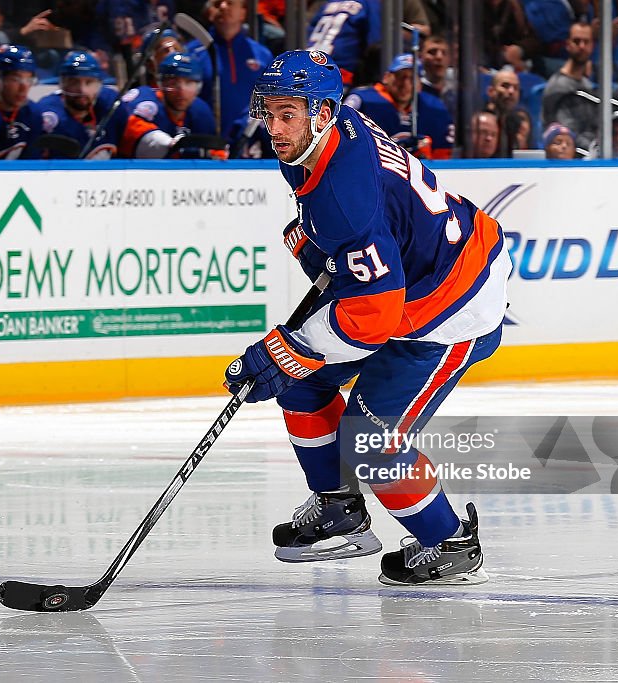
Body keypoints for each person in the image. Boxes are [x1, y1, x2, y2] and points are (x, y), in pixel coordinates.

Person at [224, 50, 511, 587]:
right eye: (270, 111)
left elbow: (372, 315)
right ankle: (339, 508)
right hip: (403, 281)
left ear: (324, 111)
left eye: (289, 114)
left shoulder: (342, 193)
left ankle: (449, 542)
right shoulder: (321, 135)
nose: (275, 128)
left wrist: (286, 348)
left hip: (452, 301)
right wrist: (327, 254)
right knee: (301, 387)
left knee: (369, 439)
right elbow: (370, 249)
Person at [342, 53, 454, 159]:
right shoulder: (362, 101)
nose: (405, 84)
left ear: (420, 85)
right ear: (386, 78)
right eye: (400, 76)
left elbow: (442, 158)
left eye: (412, 79)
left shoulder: (435, 108)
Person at [188, 0, 273, 133]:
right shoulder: (193, 52)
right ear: (210, 13)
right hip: (204, 140)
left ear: (243, 12)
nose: (222, 6)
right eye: (216, 4)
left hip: (248, 143)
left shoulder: (262, 55)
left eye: (230, 3)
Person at [118, 51, 218, 158]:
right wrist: (173, 146)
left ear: (199, 87)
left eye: (189, 83)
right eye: (173, 83)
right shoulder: (145, 100)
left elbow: (213, 152)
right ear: (160, 84)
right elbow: (129, 132)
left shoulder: (201, 111)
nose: (181, 91)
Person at [37, 50, 120, 158]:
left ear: (99, 85)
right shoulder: (50, 114)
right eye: (74, 82)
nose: (82, 90)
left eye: (89, 82)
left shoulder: (112, 103)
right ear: (62, 84)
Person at [542, 21, 599, 150]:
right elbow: (564, 133)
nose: (582, 46)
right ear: (568, 45)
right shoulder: (557, 86)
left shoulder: (587, 85)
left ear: (592, 46)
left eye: (586, 42)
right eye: (577, 41)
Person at [0, 44, 42, 160]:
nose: (24, 87)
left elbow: (32, 166)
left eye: (29, 79)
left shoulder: (32, 113)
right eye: (15, 79)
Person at [306, 0, 382, 85]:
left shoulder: (330, 3)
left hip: (306, 67)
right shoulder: (370, 4)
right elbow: (375, 44)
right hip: (337, 74)